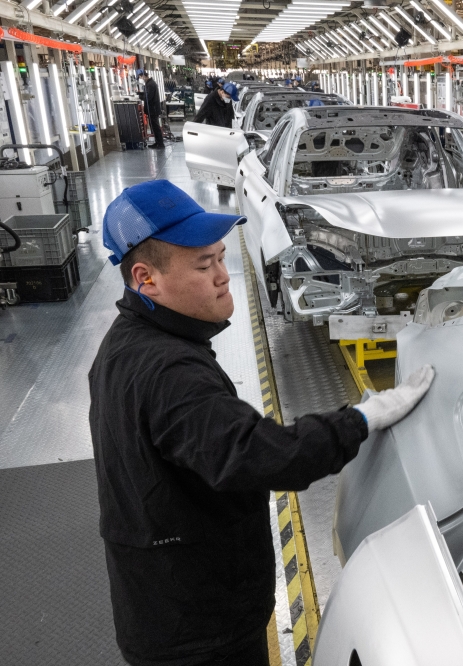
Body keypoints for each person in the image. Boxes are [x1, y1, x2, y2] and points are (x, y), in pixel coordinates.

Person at [89, 180, 434, 666]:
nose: (223, 276)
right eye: (203, 265)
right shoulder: (169, 373)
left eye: (221, 258)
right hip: (201, 631)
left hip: (164, 599)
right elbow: (267, 455)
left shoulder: (126, 342)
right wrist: (362, 418)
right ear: (146, 278)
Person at [138, 69, 164, 149]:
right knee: (154, 127)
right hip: (152, 109)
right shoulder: (149, 83)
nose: (141, 79)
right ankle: (158, 142)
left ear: (143, 76)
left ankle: (160, 144)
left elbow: (148, 97)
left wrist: (139, 96)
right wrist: (140, 93)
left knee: (155, 127)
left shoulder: (150, 84)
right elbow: (147, 94)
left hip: (153, 109)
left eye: (141, 77)